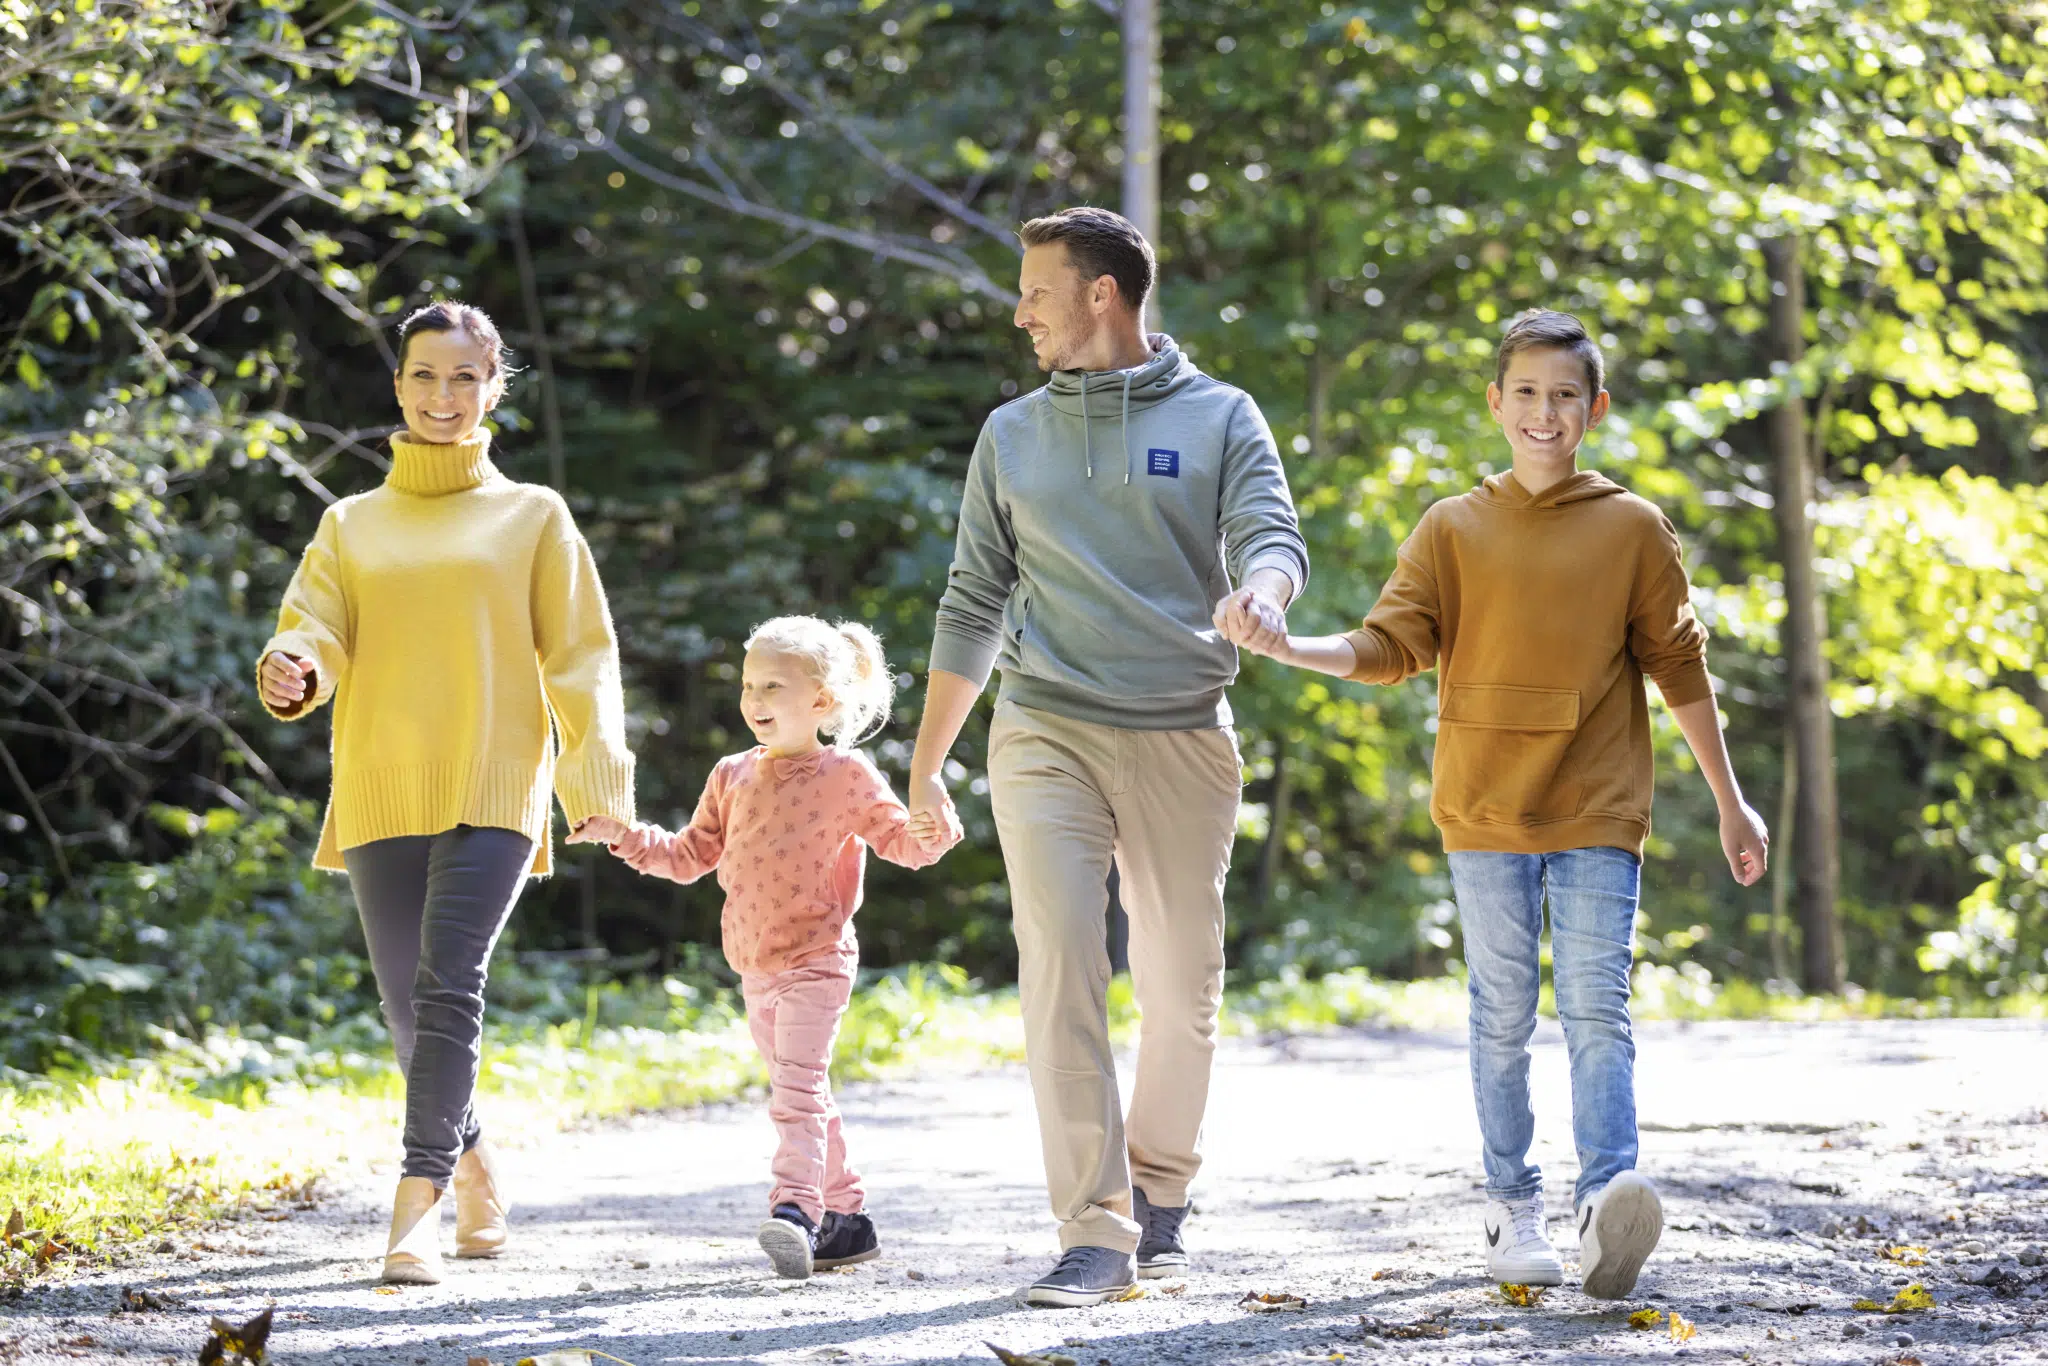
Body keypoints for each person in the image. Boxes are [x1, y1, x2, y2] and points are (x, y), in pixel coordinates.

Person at [1223, 309, 1769, 1299]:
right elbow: (1385, 645)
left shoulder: (1633, 529)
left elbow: (1680, 670)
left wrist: (1730, 802)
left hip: (1599, 806)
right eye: (1524, 392)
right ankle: (1509, 1203)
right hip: (1481, 807)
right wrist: (1286, 645)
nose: (1542, 413)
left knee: (1597, 1007)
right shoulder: (1451, 527)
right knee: (1501, 1016)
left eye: (1563, 395)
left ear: (1593, 408)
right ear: (1494, 402)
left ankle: (1607, 1201)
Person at [903, 207, 1309, 1307]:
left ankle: (1159, 1184)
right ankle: (1093, 1224)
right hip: (1043, 727)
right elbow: (973, 595)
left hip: (1181, 726)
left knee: (1179, 985)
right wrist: (929, 760)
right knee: (1059, 966)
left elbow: (1271, 534)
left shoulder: (1221, 415)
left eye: (1036, 288)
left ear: (1101, 294)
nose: (1018, 309)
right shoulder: (1010, 433)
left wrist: (1259, 597)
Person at [256, 301, 635, 1285]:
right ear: (398, 386)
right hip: (381, 781)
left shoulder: (533, 515)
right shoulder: (350, 523)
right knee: (410, 1012)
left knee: (445, 984)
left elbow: (582, 658)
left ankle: (413, 1204)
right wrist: (291, 662)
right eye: (425, 375)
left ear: (493, 387)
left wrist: (596, 778)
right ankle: (477, 1176)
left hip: (496, 782)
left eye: (464, 377)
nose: (442, 395)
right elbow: (315, 628)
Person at [608, 616, 962, 1281]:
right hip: (754, 965)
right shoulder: (731, 775)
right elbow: (688, 857)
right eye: (748, 685)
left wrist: (933, 827)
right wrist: (624, 836)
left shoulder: (845, 774)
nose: (755, 700)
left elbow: (905, 845)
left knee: (796, 1095)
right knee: (805, 1092)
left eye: (773, 686)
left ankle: (796, 1209)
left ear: (822, 702)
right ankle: (847, 1222)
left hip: (817, 960)